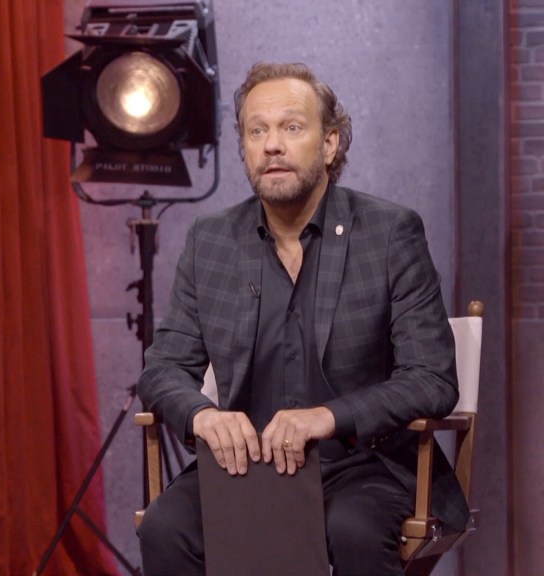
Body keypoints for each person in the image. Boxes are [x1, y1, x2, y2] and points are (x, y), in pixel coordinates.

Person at [136, 62, 469, 575]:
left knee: (352, 529)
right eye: (256, 131)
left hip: (363, 462)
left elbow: (432, 378)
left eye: (291, 127)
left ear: (330, 143)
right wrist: (203, 415)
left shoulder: (388, 233)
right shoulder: (212, 240)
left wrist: (329, 416)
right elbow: (163, 369)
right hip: (246, 466)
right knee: (164, 528)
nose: (272, 145)